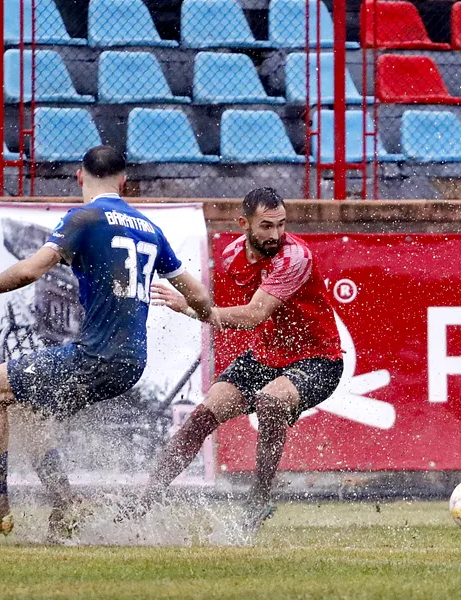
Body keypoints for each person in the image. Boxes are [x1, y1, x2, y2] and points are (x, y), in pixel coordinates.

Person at [0, 146, 217, 539]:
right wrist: (196, 312)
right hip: (131, 363)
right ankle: (66, 504)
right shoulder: (150, 229)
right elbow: (201, 296)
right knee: (28, 415)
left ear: (79, 176)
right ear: (124, 181)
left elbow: (31, 270)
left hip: (95, 355)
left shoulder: (83, 218)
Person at [124, 187, 344, 532]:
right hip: (266, 356)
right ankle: (143, 501)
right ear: (244, 224)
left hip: (318, 360)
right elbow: (232, 312)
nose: (276, 235)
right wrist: (197, 308)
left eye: (281, 225)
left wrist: (193, 309)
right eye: (266, 226)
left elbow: (253, 315)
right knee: (201, 418)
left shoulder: (295, 257)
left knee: (271, 400)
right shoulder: (231, 257)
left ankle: (258, 500)